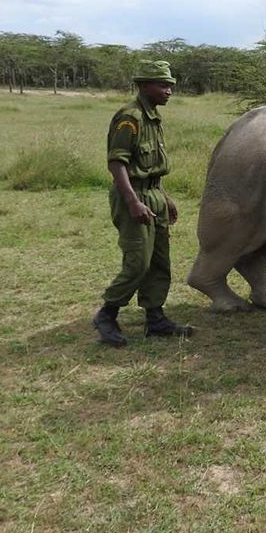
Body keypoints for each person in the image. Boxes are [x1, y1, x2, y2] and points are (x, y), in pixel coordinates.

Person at [92, 60, 194, 347]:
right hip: (133, 196)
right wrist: (133, 202)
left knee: (160, 262)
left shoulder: (153, 118)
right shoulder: (130, 117)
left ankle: (155, 318)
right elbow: (117, 163)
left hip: (154, 195)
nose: (169, 90)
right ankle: (107, 314)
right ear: (144, 86)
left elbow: (150, 168)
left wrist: (165, 198)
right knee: (138, 262)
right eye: (162, 85)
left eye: (171, 84)